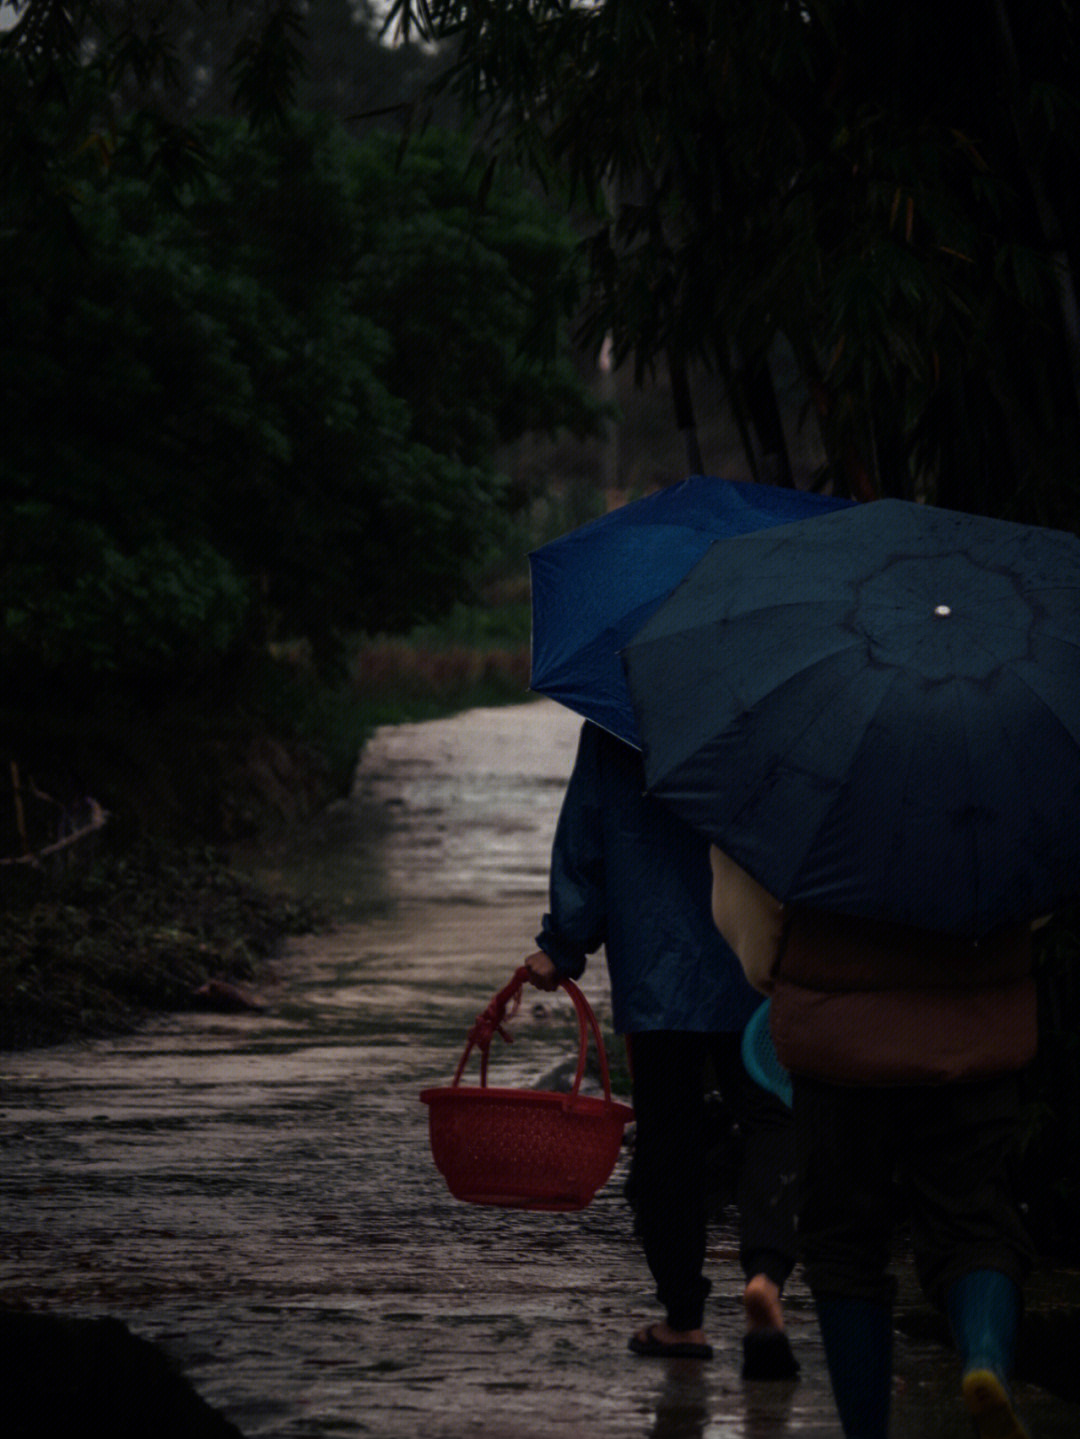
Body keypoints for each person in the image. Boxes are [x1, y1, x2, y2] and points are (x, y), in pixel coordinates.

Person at [709, 844, 1037, 1439]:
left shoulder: (803, 752)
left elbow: (747, 881)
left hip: (840, 1038)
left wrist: (770, 968)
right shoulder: (1001, 758)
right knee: (978, 1223)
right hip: (973, 1025)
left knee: (845, 1242)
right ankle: (986, 1359)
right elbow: (1041, 883)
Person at [523, 721, 800, 1377]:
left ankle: (683, 1318)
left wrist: (563, 944)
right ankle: (766, 1274)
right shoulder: (769, 708)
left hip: (657, 966)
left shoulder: (621, 716)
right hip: (753, 959)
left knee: (670, 1137)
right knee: (771, 1117)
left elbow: (587, 838)